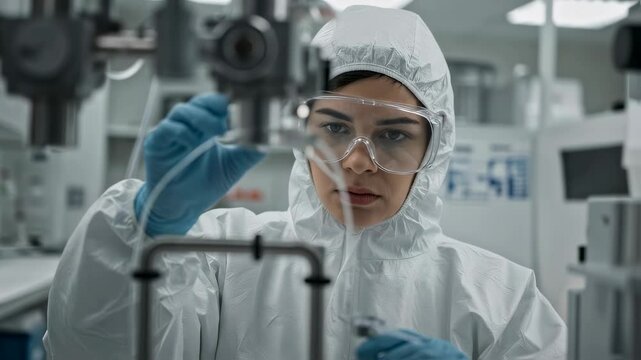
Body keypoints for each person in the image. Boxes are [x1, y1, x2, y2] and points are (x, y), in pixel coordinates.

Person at [43, 5, 566, 360]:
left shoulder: (503, 300)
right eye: (335, 129)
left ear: (435, 148)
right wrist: (142, 224)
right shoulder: (219, 256)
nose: (357, 163)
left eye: (393, 135)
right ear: (300, 132)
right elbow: (89, 348)